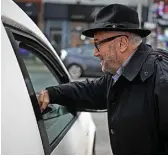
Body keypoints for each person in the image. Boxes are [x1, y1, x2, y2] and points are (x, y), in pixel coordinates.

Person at [38, 4, 168, 154]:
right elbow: (91, 90)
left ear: (122, 43)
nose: (95, 53)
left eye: (98, 44)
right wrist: (51, 93)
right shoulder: (121, 75)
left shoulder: (162, 81)